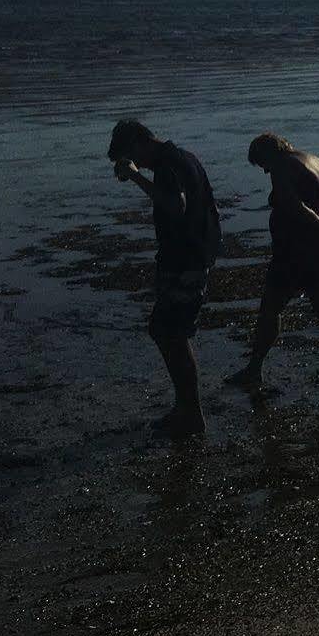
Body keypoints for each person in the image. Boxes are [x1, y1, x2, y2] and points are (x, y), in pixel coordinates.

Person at [107, 119, 221, 437]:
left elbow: (174, 205)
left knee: (170, 334)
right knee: (169, 332)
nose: (138, 163)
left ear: (141, 141)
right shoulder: (185, 158)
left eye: (134, 156)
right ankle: (186, 409)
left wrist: (134, 177)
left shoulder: (169, 165)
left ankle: (191, 413)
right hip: (194, 255)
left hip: (185, 260)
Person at [230, 133, 319, 386]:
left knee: (270, 309)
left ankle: (254, 369)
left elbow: (292, 203)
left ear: (269, 154)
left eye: (263, 164)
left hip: (295, 249)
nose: (265, 171)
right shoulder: (317, 161)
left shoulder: (282, 166)